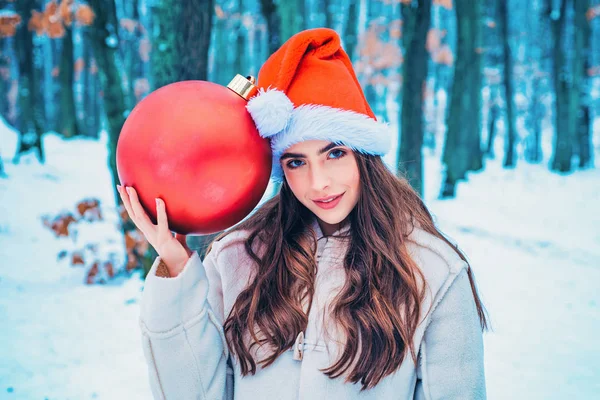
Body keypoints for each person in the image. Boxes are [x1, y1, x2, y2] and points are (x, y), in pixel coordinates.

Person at [119, 28, 488, 400]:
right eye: (296, 162)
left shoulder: (431, 271)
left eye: (335, 153)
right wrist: (175, 264)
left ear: (364, 154)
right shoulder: (237, 259)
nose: (319, 183)